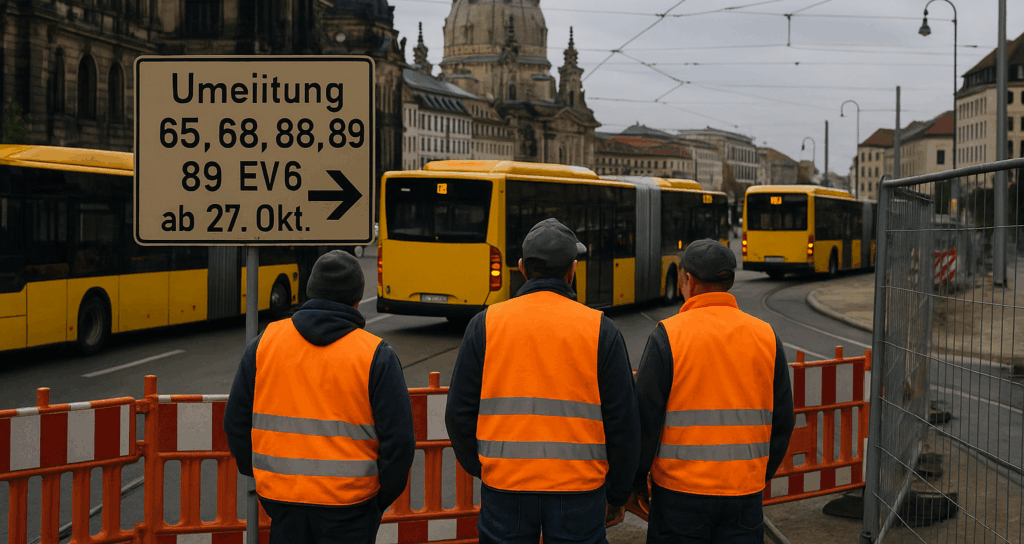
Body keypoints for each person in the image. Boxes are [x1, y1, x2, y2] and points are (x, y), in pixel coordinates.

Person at [445, 218, 640, 544]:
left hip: (506, 487)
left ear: (522, 268)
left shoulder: (485, 325)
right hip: (579, 490)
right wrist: (618, 493)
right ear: (572, 270)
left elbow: (458, 414)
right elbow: (623, 423)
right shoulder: (600, 330)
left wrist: (486, 469)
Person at [224, 250, 416, 544]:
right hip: (351, 508)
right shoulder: (375, 354)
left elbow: (235, 424)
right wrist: (375, 502)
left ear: (309, 292)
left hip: (283, 504)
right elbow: (399, 442)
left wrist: (266, 480)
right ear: (356, 300)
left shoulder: (265, 344)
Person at [633, 239, 794, 543]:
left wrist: (636, 481)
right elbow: (783, 420)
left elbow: (644, 419)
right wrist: (758, 474)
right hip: (743, 495)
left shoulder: (668, 335)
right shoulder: (766, 336)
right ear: (728, 282)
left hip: (680, 495)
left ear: (689, 281)